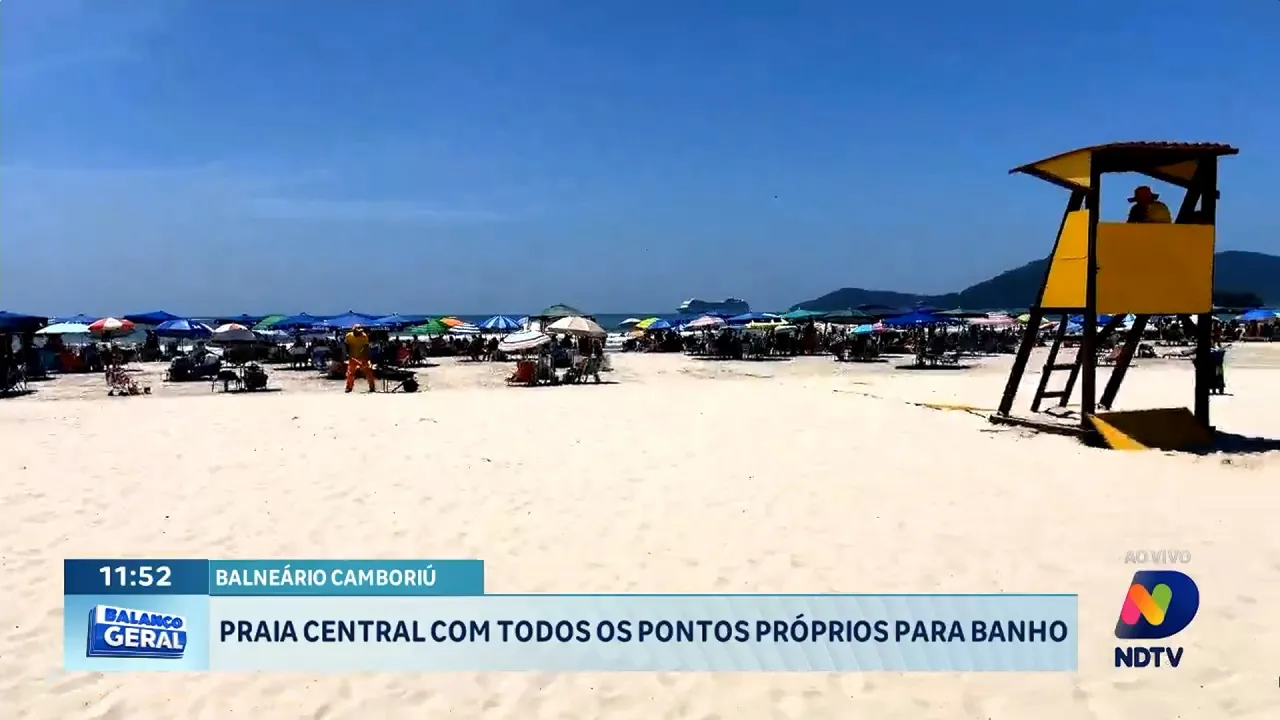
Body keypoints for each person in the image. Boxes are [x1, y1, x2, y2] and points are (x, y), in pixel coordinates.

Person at [343, 325, 376, 393]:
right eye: (358, 331)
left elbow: (366, 347)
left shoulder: (364, 336)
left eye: (360, 331)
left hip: (362, 357)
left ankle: (372, 387)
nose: (359, 333)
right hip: (352, 356)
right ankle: (349, 387)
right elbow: (346, 345)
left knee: (368, 372)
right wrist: (347, 354)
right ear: (354, 331)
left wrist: (365, 358)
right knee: (350, 373)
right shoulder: (349, 336)